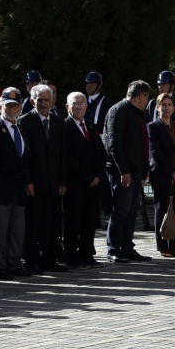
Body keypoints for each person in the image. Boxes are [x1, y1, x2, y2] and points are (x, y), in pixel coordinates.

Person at [0, 90, 30, 278]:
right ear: (0, 107)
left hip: (17, 188)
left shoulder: (20, 129)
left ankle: (14, 263)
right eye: (7, 105)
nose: (11, 109)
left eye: (15, 105)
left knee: (17, 230)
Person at [103, 80, 153, 262]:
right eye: (147, 98)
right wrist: (124, 171)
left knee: (132, 210)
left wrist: (144, 167)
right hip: (122, 172)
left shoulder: (138, 113)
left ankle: (126, 246)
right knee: (121, 209)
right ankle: (114, 248)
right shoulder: (118, 111)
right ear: (141, 96)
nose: (147, 102)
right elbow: (114, 144)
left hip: (136, 170)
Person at [19, 84, 66, 272]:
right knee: (33, 223)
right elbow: (24, 156)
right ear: (32, 101)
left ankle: (49, 259)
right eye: (40, 100)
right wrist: (27, 180)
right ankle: (31, 260)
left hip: (54, 183)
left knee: (52, 223)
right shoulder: (24, 122)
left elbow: (63, 153)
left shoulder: (58, 122)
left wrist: (63, 180)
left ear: (53, 101)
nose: (44, 103)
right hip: (35, 184)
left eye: (47, 100)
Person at [61, 92, 105, 267]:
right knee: (73, 221)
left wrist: (99, 175)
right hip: (76, 183)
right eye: (75, 103)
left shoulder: (91, 126)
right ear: (67, 107)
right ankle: (72, 256)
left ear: (87, 106)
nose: (78, 106)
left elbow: (102, 153)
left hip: (94, 184)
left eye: (82, 103)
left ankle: (87, 253)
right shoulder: (64, 127)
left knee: (89, 220)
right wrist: (87, 177)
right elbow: (69, 157)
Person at [148, 92, 175, 257]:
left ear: (174, 108)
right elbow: (155, 153)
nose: (166, 108)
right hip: (162, 175)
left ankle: (174, 245)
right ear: (158, 107)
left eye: (169, 105)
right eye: (163, 105)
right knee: (162, 209)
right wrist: (172, 171)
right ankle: (163, 245)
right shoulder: (153, 127)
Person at [84, 71, 114, 220]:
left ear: (99, 85)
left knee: (103, 181)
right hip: (86, 146)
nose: (89, 86)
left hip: (101, 144)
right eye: (87, 83)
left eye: (92, 83)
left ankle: (109, 213)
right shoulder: (83, 102)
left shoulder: (106, 103)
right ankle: (93, 216)